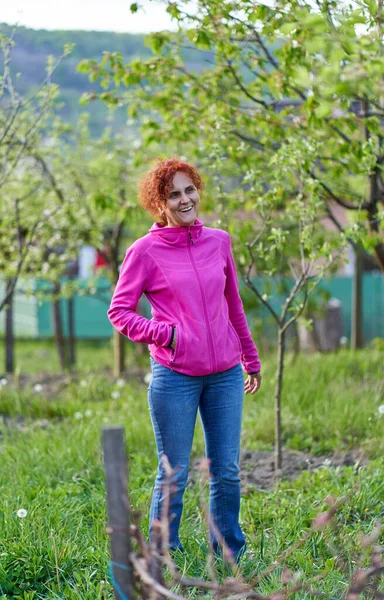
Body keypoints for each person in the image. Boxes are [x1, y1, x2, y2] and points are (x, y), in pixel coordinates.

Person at [107, 157, 262, 561]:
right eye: (173, 194)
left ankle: (230, 553)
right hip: (175, 376)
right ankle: (163, 556)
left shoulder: (220, 240)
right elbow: (119, 312)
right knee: (173, 473)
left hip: (226, 373)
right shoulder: (144, 251)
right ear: (159, 204)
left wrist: (250, 356)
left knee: (226, 471)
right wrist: (168, 335)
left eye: (189, 189)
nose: (184, 199)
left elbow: (234, 305)